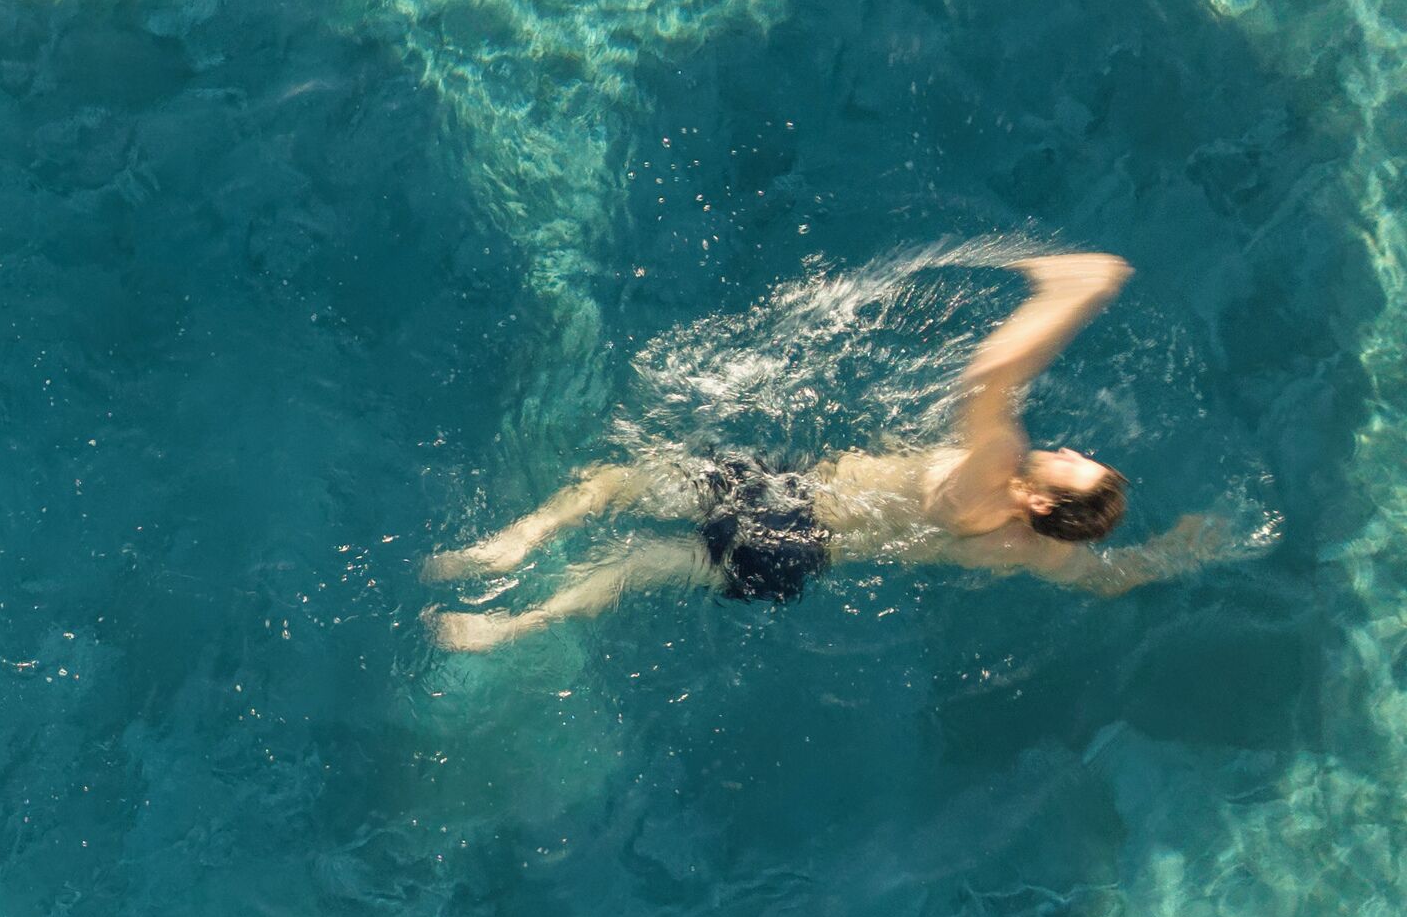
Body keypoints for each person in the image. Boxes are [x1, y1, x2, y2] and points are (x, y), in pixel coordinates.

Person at [424, 251, 1257, 651]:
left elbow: (990, 374)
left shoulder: (994, 478)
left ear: (1043, 502)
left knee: (618, 481)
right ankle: (513, 628)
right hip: (807, 557)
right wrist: (1179, 552)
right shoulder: (1040, 553)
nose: (1070, 445)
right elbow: (1112, 577)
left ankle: (515, 540)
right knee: (639, 566)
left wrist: (1069, 291)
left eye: (1075, 462)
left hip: (791, 502)